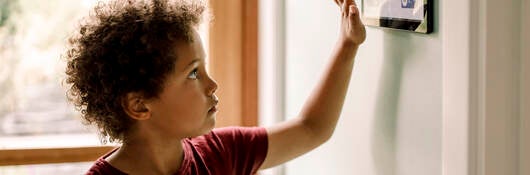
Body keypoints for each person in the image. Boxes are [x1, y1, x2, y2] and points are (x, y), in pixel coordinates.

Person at [64, 0, 365, 174]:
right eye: (194, 73)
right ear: (140, 105)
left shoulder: (221, 152)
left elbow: (312, 128)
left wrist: (348, 44)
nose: (212, 85)